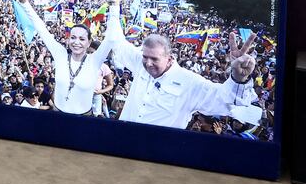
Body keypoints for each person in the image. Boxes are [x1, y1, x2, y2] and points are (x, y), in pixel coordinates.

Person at [109, 32, 259, 129]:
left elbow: (226, 102)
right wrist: (115, 5)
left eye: (154, 59)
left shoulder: (190, 82)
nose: (148, 63)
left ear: (170, 58)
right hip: (123, 145)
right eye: (145, 57)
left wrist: (239, 78)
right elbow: (118, 43)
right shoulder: (141, 65)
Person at [16, 0, 124, 114]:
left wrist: (115, 6)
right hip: (57, 116)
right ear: (68, 39)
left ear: (89, 42)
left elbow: (111, 38)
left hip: (83, 119)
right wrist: (25, 4)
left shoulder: (94, 60)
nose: (76, 42)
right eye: (73, 37)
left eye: (82, 39)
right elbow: (42, 30)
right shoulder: (60, 55)